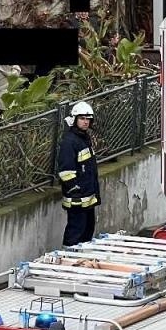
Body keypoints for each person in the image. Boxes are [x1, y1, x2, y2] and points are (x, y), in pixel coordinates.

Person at [55, 101, 100, 246]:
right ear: (74, 120)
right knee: (75, 232)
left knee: (87, 230)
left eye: (88, 119)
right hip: (77, 198)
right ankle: (68, 255)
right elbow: (65, 172)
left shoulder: (83, 138)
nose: (86, 122)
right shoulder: (70, 142)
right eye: (82, 118)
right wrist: (75, 189)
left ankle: (82, 256)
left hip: (87, 196)